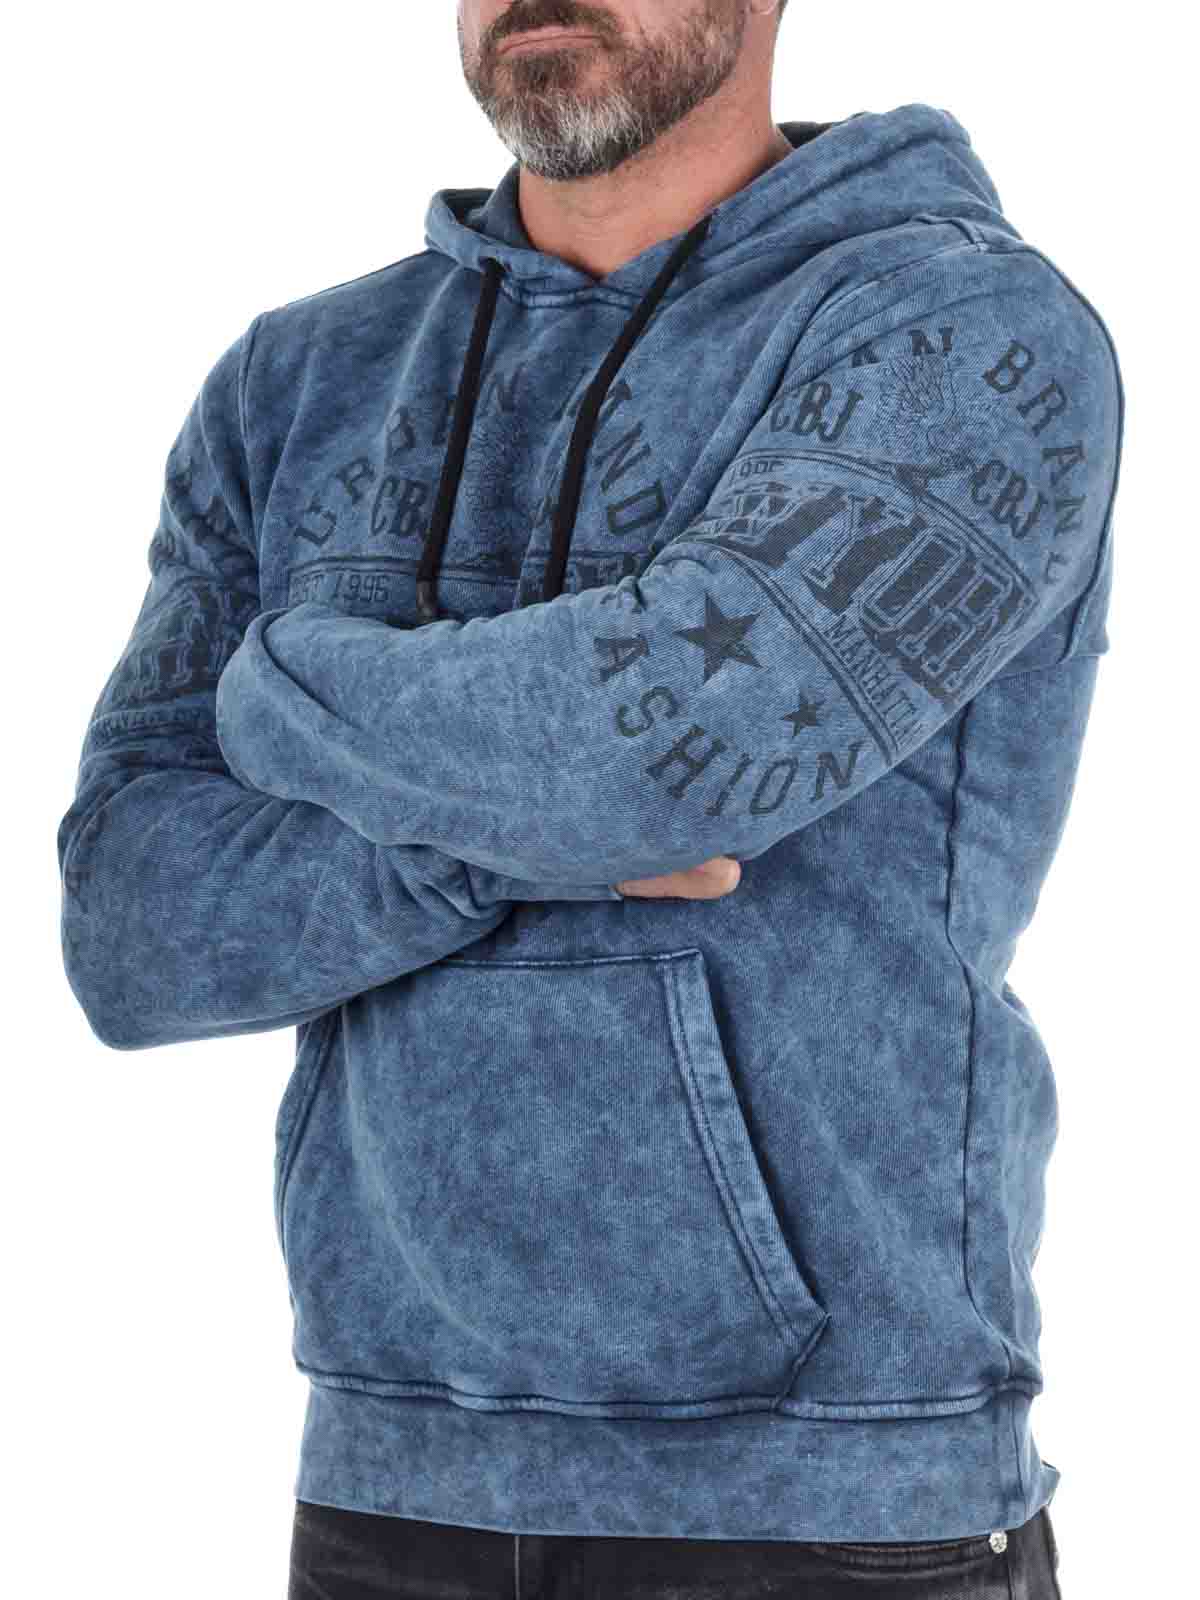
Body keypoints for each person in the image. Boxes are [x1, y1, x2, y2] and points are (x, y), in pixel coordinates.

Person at [57, 1, 1123, 1595]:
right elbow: (132, 934)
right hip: (389, 1474)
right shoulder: (299, 383)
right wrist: (527, 836)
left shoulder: (958, 333)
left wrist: (283, 685)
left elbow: (654, 763)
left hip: (828, 1494)